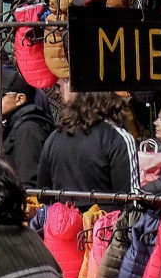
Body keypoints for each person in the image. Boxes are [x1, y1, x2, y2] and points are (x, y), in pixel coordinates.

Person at [35, 83, 137, 211]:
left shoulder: (54, 137)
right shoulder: (117, 137)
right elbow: (131, 201)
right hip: (105, 227)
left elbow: (43, 195)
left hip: (61, 225)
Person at [0, 67, 54, 187]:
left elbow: (29, 181)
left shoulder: (28, 129)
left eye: (0, 95)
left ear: (20, 99)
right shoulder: (17, 123)